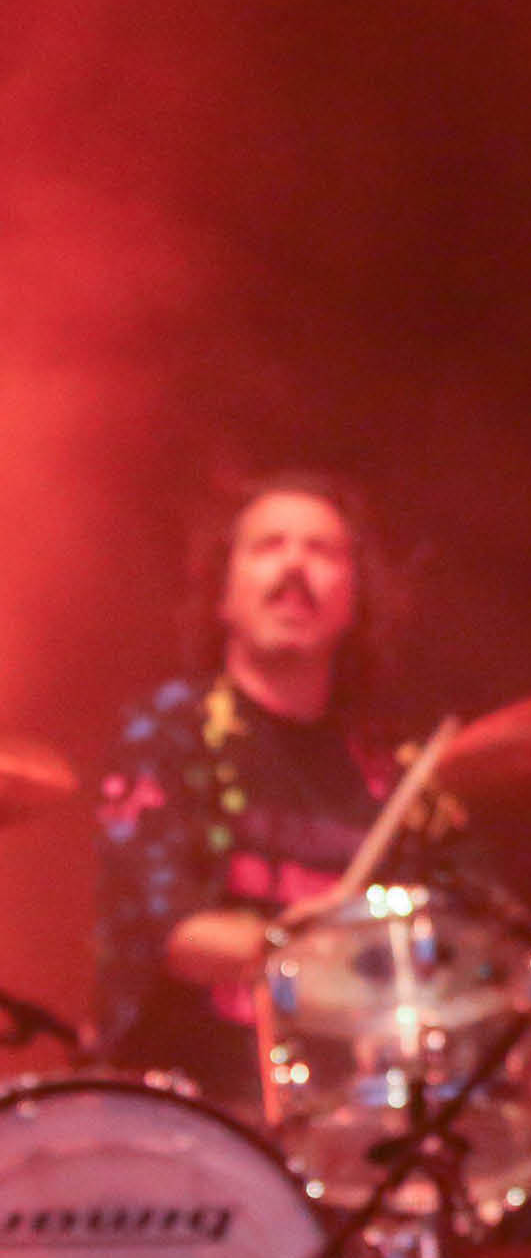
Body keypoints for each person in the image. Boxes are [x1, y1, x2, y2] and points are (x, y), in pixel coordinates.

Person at [94, 469, 433, 1114]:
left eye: (321, 551)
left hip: (346, 1116)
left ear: (354, 600)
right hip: (181, 1117)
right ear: (223, 594)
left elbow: (464, 941)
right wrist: (301, 950)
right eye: (268, 546)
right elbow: (165, 928)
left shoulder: (393, 772)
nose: (294, 567)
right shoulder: (169, 732)